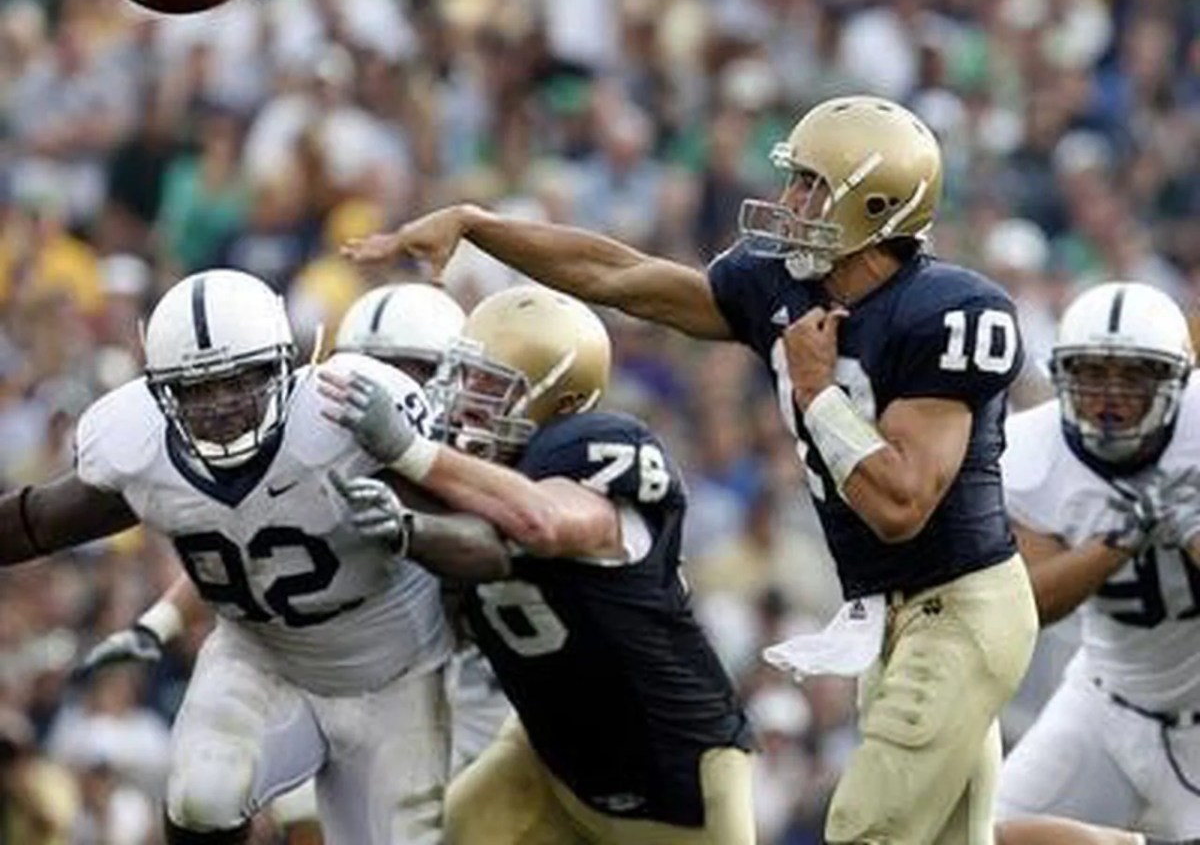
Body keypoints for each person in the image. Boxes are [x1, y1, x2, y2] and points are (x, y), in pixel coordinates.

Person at [341, 94, 1038, 844]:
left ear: (875, 206)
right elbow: (621, 276)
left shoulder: (948, 310)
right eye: (794, 180)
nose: (789, 202)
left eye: (811, 186)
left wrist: (815, 391)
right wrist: (482, 227)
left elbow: (901, 504)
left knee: (865, 830)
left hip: (961, 606)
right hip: (888, 610)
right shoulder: (785, 286)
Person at [0, 268, 509, 845]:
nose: (219, 406)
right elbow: (36, 521)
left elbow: (487, 548)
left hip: (394, 675)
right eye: (196, 389)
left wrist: (410, 530)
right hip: (263, 657)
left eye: (239, 381)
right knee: (200, 798)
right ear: (160, 390)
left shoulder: (343, 419)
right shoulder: (139, 449)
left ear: (284, 368)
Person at [318, 284, 756, 844]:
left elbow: (539, 523)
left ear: (564, 404)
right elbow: (472, 547)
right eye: (464, 375)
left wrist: (412, 452)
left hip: (673, 773)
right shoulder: (469, 479)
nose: (465, 398)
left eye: (493, 384)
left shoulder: (591, 450)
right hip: (548, 758)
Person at [997, 281, 1200, 837]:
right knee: (985, 833)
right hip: (1105, 701)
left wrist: (1189, 527)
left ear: (1176, 382)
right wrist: (1122, 538)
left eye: (1134, 376)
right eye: (1091, 374)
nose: (1110, 396)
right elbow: (1032, 603)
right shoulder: (1031, 452)